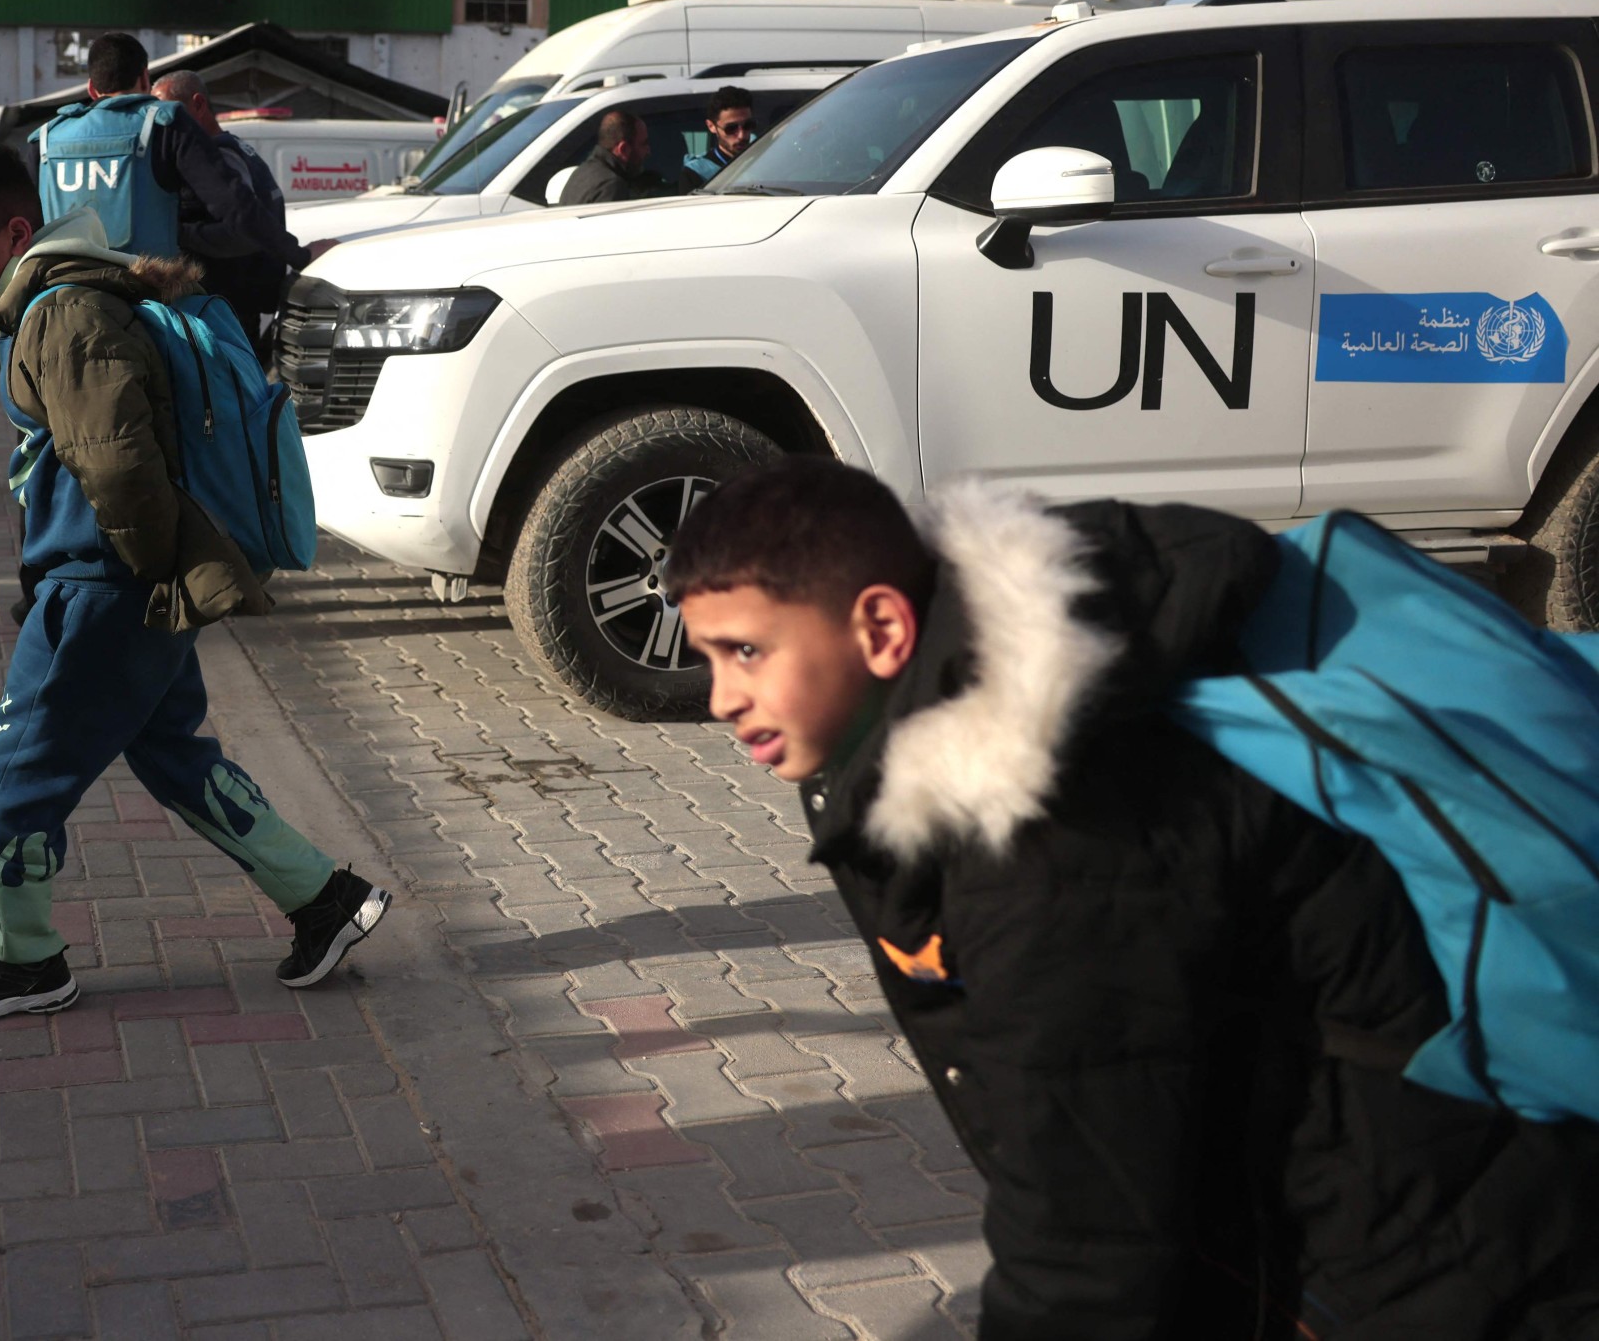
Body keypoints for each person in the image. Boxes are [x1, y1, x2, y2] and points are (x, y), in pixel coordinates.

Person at [664, 458, 1599, 1337]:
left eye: (745, 650)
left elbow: (1084, 1230)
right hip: (1378, 1204)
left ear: (882, 630)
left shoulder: (1045, 831)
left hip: (1436, 1251)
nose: (721, 697)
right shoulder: (989, 703)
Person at [0, 145, 390, 1020]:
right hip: (126, 584)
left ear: (16, 232)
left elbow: (118, 464)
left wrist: (137, 580)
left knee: (14, 775)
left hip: (101, 589)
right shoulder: (83, 295)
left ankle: (24, 958)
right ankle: (325, 900)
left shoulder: (61, 315)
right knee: (173, 754)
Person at [35, 34, 308, 269]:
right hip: (147, 300)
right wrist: (300, 255)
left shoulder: (47, 138)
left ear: (92, 89)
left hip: (66, 298)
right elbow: (236, 207)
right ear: (144, 78)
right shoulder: (167, 123)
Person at [152, 69, 333, 356]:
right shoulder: (235, 148)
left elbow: (243, 228)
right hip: (238, 303)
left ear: (198, 105)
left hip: (229, 305)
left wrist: (176, 233)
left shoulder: (218, 157)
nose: (161, 123)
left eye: (168, 111)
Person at [561, 110, 668, 204]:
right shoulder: (611, 185)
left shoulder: (581, 173)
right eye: (644, 144)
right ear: (623, 149)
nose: (648, 151)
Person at [673, 86, 756, 191]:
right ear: (711, 126)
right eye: (731, 129)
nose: (742, 135)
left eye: (748, 126)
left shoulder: (769, 162)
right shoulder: (696, 172)